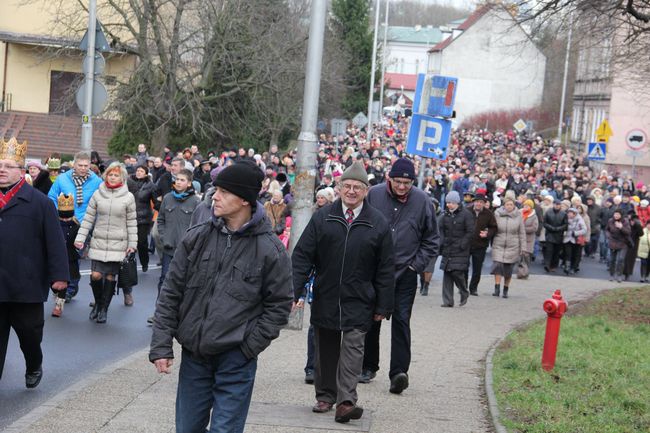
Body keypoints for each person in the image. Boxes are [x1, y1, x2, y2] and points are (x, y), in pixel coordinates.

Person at [149, 161, 292, 433]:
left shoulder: (270, 249)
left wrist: (248, 348)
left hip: (236, 360)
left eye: (224, 192)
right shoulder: (197, 237)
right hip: (195, 356)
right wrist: (161, 345)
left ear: (244, 200)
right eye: (216, 190)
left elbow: (279, 306)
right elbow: (171, 292)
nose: (215, 196)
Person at [292, 161, 394, 423]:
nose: (351, 191)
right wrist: (294, 290)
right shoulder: (322, 218)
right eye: (346, 186)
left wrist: (384, 305)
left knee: (353, 349)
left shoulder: (378, 223)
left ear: (366, 190)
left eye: (357, 187)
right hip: (326, 293)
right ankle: (325, 395)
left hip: (360, 298)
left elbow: (385, 267)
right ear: (338, 188)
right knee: (325, 348)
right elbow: (303, 256)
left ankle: (346, 401)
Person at [361, 158, 439, 394]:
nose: (402, 187)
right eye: (398, 182)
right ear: (389, 179)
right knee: (371, 319)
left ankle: (398, 373)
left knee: (402, 321)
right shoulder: (374, 195)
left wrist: (415, 266)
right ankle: (368, 365)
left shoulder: (422, 201)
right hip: (376, 270)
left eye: (407, 182)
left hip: (406, 272)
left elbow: (432, 240)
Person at [0, 137, 69, 388]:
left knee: (29, 335)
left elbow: (55, 242)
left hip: (25, 285)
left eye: (8, 165)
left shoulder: (40, 203)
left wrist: (59, 276)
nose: (2, 169)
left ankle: (33, 364)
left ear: (21, 171)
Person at [74, 162, 137, 323]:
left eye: (116, 175)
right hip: (99, 241)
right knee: (95, 276)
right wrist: (80, 238)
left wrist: (132, 244)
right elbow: (88, 218)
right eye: (110, 174)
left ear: (121, 178)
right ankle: (98, 303)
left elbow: (131, 222)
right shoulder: (98, 194)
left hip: (118, 243)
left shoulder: (128, 197)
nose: (113, 177)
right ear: (106, 176)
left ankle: (104, 309)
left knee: (110, 276)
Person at [48, 151, 103, 300]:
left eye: (86, 165)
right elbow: (52, 197)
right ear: (74, 164)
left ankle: (72, 286)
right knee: (61, 254)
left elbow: (101, 200)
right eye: (80, 165)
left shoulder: (96, 181)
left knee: (75, 255)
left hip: (83, 224)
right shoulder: (62, 179)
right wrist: (56, 214)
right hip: (63, 221)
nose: (84, 168)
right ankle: (59, 282)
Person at [153, 168, 200, 323]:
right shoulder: (167, 198)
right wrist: (163, 236)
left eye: (182, 180)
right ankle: (159, 313)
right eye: (177, 179)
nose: (178, 182)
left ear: (189, 183)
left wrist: (190, 242)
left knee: (182, 282)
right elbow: (161, 220)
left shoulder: (195, 202)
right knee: (164, 279)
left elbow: (199, 226)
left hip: (186, 250)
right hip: (168, 248)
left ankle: (179, 314)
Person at [438, 190, 474, 307]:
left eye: (452, 203)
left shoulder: (466, 214)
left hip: (460, 249)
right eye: (448, 203)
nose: (449, 205)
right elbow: (440, 230)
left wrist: (463, 244)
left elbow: (470, 231)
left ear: (457, 203)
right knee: (447, 274)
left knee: (457, 273)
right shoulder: (445, 215)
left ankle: (464, 291)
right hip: (448, 248)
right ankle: (448, 301)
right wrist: (441, 242)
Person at [51, 193, 80, 316]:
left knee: (64, 281)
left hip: (70, 257)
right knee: (52, 282)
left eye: (67, 218)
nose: (65, 220)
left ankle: (58, 306)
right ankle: (56, 293)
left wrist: (81, 245)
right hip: (55, 256)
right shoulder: (53, 224)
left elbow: (82, 238)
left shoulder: (76, 226)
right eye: (63, 218)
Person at [491, 197, 526, 298]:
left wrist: (523, 247)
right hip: (499, 242)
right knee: (497, 265)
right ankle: (496, 288)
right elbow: (492, 228)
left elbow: (522, 233)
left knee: (508, 268)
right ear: (504, 205)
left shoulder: (519, 216)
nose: (509, 206)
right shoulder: (497, 214)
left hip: (513, 245)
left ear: (514, 205)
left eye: (511, 204)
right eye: (507, 204)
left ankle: (505, 289)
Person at [127, 165, 157, 275]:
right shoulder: (129, 182)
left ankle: (145, 263)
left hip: (144, 217)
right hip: (130, 215)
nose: (139, 172)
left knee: (142, 242)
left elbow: (155, 201)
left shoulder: (151, 186)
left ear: (145, 174)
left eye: (141, 171)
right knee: (130, 242)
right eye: (138, 170)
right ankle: (129, 264)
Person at [467, 193, 497, 295]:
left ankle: (473, 288)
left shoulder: (488, 214)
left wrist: (487, 234)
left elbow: (494, 227)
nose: (478, 204)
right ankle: (462, 286)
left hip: (480, 244)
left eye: (481, 202)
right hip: (466, 244)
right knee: (463, 266)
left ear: (484, 204)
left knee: (477, 268)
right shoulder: (466, 211)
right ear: (473, 202)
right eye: (477, 202)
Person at [543, 199, 568, 273]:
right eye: (555, 204)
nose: (557, 206)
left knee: (556, 252)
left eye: (558, 204)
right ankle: (547, 265)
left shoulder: (563, 213)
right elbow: (545, 223)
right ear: (553, 204)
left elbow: (566, 225)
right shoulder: (548, 212)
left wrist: (558, 229)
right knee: (549, 251)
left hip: (559, 235)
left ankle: (554, 266)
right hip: (550, 234)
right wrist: (551, 228)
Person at [606, 209, 630, 282]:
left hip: (622, 243)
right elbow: (607, 229)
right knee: (612, 260)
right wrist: (608, 236)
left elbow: (628, 232)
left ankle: (619, 275)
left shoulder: (625, 222)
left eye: (618, 214)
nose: (616, 215)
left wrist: (621, 227)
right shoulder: (610, 221)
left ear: (621, 215)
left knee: (621, 259)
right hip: (613, 242)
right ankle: (611, 275)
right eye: (615, 214)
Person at [562, 208, 587, 275]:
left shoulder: (580, 220)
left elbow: (584, 230)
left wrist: (575, 233)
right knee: (568, 253)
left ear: (574, 214)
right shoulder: (565, 219)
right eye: (568, 213)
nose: (569, 214)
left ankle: (573, 267)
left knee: (576, 255)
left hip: (576, 239)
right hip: (567, 238)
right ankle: (567, 267)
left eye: (571, 213)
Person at [520, 199, 539, 278]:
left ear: (531, 207)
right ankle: (521, 272)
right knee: (520, 257)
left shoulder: (534, 216)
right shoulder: (519, 213)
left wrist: (523, 229)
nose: (525, 207)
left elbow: (535, 228)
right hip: (520, 238)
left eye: (527, 206)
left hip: (529, 239)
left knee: (526, 256)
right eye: (524, 205)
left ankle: (524, 273)